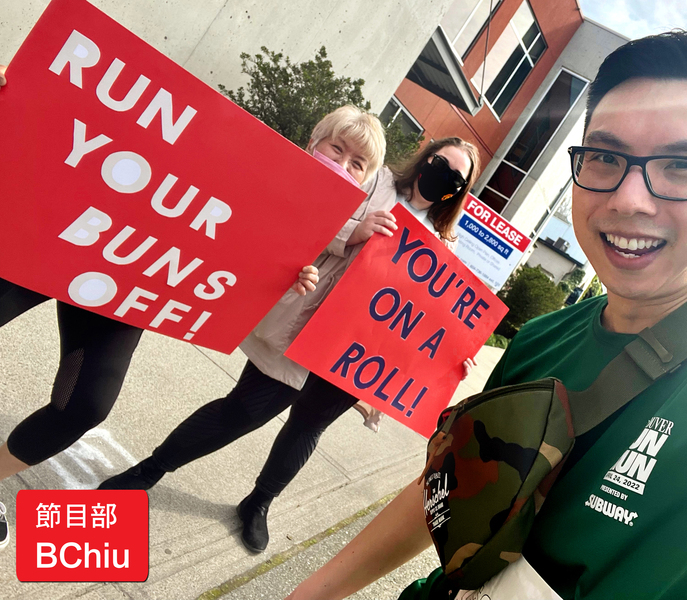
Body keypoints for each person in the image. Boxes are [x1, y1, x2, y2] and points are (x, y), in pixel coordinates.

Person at [283, 31, 687, 600]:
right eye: (605, 158)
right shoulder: (542, 340)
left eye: (682, 167)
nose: (630, 199)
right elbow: (453, 488)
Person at [100, 135, 482, 554]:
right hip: (307, 324)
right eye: (439, 161)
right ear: (425, 157)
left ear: (461, 191)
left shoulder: (446, 246)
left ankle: (259, 502)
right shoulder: (377, 183)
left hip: (355, 354)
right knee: (243, 410)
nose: (442, 174)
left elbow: (432, 315)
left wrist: (450, 352)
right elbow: (308, 216)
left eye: (455, 176)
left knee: (307, 428)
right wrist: (355, 231)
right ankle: (150, 470)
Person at [0, 63, 145, 552]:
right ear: (314, 141)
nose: (345, 161)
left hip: (128, 275)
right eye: (337, 147)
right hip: (51, 228)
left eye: (359, 161)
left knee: (85, 403)